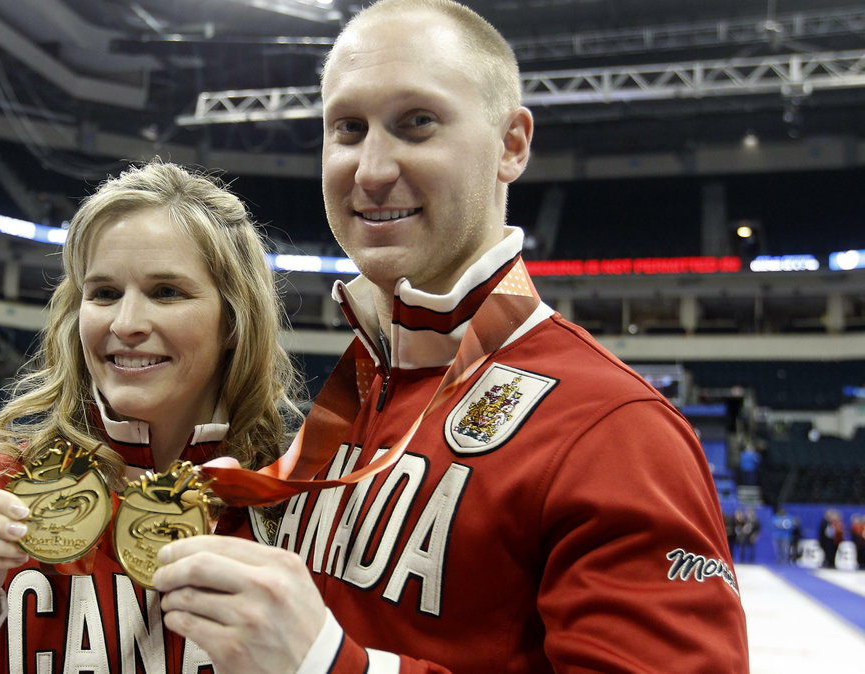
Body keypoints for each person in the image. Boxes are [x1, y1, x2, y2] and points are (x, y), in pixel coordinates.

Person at [151, 1, 749, 671]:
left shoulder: (615, 426)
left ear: (511, 145)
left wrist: (329, 664)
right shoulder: (361, 387)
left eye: (418, 123)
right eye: (348, 127)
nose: (371, 169)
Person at [0, 161, 303, 672]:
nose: (127, 323)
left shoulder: (299, 507)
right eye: (104, 293)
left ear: (235, 317)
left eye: (167, 292)